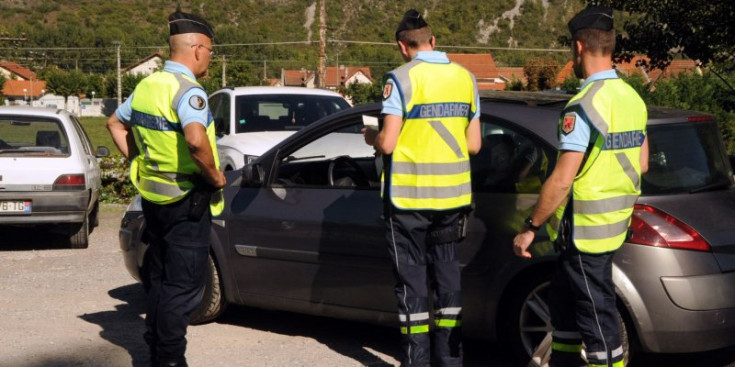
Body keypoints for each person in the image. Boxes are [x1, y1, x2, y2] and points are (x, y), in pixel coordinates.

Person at [512, 6, 649, 367]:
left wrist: (530, 227)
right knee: (565, 306)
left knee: (597, 317)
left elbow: (561, 180)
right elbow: (643, 162)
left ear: (578, 48)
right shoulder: (632, 98)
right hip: (612, 228)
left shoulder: (583, 106)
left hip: (585, 234)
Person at [106, 10, 225, 367]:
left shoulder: (147, 86)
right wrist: (216, 176)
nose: (210, 59)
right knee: (182, 288)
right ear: (198, 48)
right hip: (187, 200)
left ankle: (157, 353)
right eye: (210, 52)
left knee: (158, 280)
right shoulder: (189, 92)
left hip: (154, 199)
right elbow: (195, 140)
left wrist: (139, 161)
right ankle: (170, 361)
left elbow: (114, 123)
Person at [363, 9, 481, 367]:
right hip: (453, 201)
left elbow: (387, 144)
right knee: (447, 282)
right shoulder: (467, 78)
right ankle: (451, 359)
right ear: (434, 41)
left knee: (412, 285)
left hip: (408, 204)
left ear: (403, 46)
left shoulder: (399, 80)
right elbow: (474, 145)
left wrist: (374, 135)